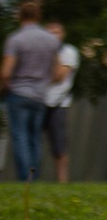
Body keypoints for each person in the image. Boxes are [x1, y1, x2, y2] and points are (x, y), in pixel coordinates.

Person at [4, 0, 62, 183]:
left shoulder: (16, 39)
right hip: (40, 96)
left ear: (20, 16)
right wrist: (43, 82)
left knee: (20, 136)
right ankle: (33, 177)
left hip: (18, 93)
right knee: (35, 137)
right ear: (39, 16)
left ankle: (24, 178)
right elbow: (58, 73)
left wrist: (5, 87)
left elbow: (5, 72)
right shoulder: (51, 41)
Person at [42, 20, 75, 183]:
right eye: (50, 32)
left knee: (59, 146)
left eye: (57, 32)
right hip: (39, 101)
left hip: (58, 104)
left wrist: (53, 54)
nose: (53, 36)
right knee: (31, 142)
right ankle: (29, 179)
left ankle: (62, 181)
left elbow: (58, 76)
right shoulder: (40, 51)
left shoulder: (69, 52)